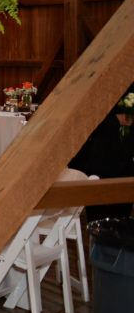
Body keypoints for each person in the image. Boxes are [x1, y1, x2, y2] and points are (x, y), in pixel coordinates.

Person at [68, 83, 134, 221]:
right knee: (99, 209)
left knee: (117, 211)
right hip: (100, 153)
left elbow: (126, 118)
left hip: (117, 154)